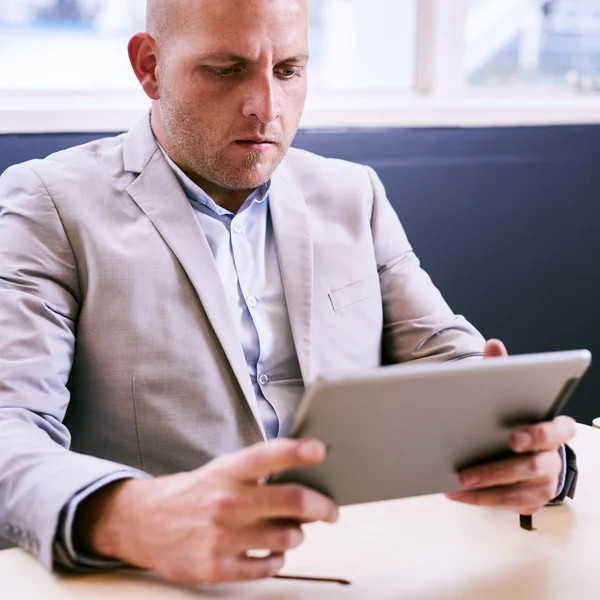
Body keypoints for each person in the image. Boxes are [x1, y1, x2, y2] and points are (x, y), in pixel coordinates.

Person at [0, 0, 577, 585]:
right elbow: (7, 425)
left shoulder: (354, 195)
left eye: (289, 70)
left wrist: (539, 456)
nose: (265, 109)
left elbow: (454, 364)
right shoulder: (49, 205)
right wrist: (123, 516)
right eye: (226, 70)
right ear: (150, 66)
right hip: (165, 581)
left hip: (374, 564)